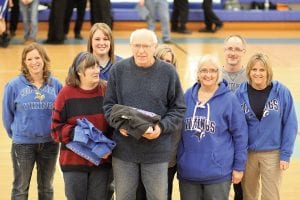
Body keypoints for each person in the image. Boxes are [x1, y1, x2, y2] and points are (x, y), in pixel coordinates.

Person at [103, 28, 186, 200]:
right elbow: (109, 106)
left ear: (154, 47)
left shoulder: (168, 72)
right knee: (124, 196)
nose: (141, 50)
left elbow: (178, 109)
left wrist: (161, 127)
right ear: (130, 46)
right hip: (124, 151)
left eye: (146, 46)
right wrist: (120, 125)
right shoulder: (118, 70)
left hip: (156, 152)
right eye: (137, 46)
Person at [177, 54, 248, 200]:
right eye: (203, 70)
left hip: (218, 173)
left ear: (219, 74)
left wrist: (239, 167)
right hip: (188, 172)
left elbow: (240, 135)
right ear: (197, 73)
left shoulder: (229, 100)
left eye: (212, 71)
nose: (208, 75)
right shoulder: (187, 96)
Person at [2, 43, 62, 199]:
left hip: (50, 144)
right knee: (20, 188)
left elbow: (62, 113)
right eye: (29, 59)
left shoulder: (56, 85)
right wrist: (19, 134)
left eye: (37, 57)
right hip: (23, 145)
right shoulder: (14, 86)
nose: (34, 62)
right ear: (24, 62)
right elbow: (7, 116)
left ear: (44, 59)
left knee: (46, 187)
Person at [51, 51, 114, 200]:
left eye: (97, 66)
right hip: (73, 164)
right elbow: (55, 130)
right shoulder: (65, 93)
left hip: (102, 163)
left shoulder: (106, 90)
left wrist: (108, 147)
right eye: (91, 67)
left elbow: (114, 125)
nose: (96, 70)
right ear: (79, 71)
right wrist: (80, 134)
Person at [235, 53, 298, 200]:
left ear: (268, 71)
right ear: (248, 71)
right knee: (248, 196)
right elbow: (235, 127)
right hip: (247, 154)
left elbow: (291, 124)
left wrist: (286, 154)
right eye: (254, 69)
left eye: (262, 70)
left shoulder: (281, 92)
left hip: (272, 155)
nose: (257, 73)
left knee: (271, 196)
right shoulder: (239, 93)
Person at [136, 44, 179, 200]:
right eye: (162, 60)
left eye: (169, 62)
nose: (165, 65)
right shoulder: (141, 88)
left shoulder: (177, 92)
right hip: (143, 157)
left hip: (167, 160)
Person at [223, 35, 247, 200]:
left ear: (243, 52)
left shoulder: (252, 76)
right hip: (220, 142)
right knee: (219, 189)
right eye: (230, 48)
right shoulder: (213, 75)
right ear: (224, 50)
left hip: (243, 141)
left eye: (237, 49)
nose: (233, 53)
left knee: (242, 191)